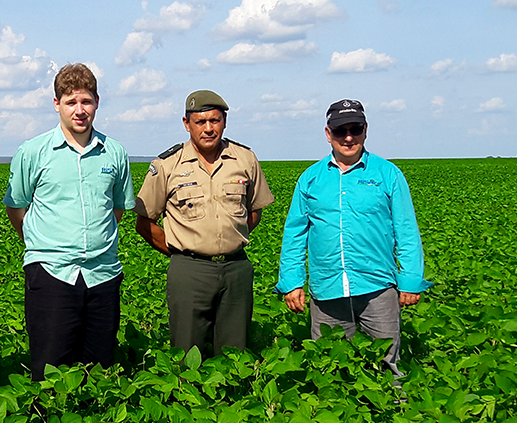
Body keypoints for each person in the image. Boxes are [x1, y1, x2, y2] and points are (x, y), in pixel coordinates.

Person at [276, 99, 432, 381]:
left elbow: (406, 231)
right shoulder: (310, 179)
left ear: (365, 130)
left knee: (388, 365)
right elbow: (295, 233)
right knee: (329, 366)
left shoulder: (388, 175)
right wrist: (292, 281)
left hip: (377, 287)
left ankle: (393, 420)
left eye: (355, 129)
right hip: (327, 290)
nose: (348, 137)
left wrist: (410, 280)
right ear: (328, 134)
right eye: (340, 130)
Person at [3, 63, 134, 380]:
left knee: (100, 369)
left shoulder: (114, 153)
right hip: (51, 273)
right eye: (71, 102)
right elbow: (16, 207)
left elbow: (116, 210)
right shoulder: (33, 152)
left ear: (97, 102)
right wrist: (44, 243)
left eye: (86, 101)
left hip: (102, 274)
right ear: (56, 104)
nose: (79, 110)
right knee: (50, 370)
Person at [135, 90, 274, 358]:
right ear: (187, 124)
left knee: (236, 353)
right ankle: (188, 400)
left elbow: (255, 210)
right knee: (187, 353)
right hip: (189, 271)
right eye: (201, 122)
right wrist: (181, 251)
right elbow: (144, 222)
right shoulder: (167, 165)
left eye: (215, 121)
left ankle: (234, 398)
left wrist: (229, 237)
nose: (209, 129)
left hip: (236, 268)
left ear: (224, 122)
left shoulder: (245, 159)